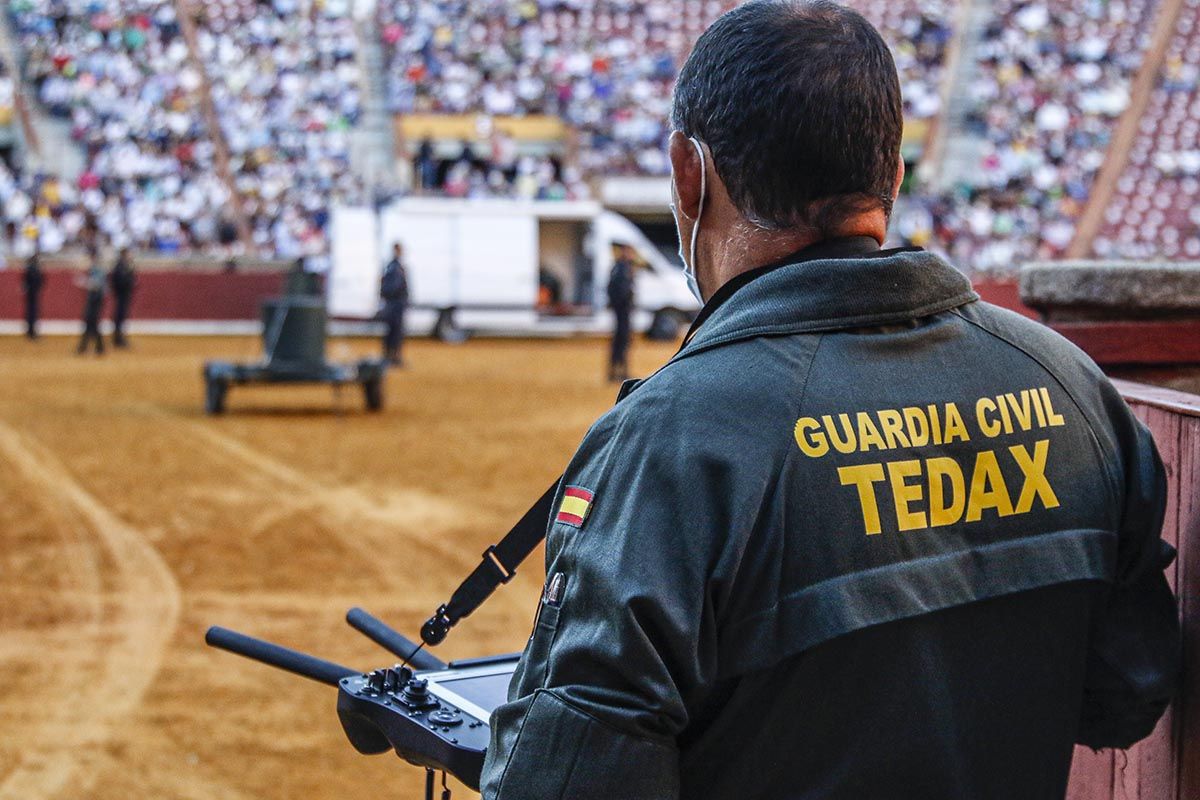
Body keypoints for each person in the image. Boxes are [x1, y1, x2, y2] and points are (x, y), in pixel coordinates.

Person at [480, 3, 1180, 799]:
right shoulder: (1071, 385)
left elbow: (567, 779)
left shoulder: (670, 440)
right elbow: (1126, 695)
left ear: (688, 173)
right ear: (891, 179)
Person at [606, 244, 635, 382]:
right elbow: (618, 290)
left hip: (623, 310)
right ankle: (618, 372)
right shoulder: (621, 268)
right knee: (621, 340)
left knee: (621, 340)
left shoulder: (620, 267)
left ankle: (618, 371)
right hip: (622, 310)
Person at [380, 242, 409, 366]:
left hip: (395, 304)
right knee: (395, 332)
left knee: (394, 332)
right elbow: (393, 287)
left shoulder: (393, 266)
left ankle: (391, 356)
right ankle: (392, 357)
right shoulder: (394, 267)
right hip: (395, 304)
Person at [76, 248, 105, 356]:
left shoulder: (98, 270)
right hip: (94, 299)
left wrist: (83, 282)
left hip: (95, 300)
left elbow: (96, 285)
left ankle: (87, 347)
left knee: (91, 322)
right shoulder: (95, 269)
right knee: (91, 323)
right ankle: (90, 347)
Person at [109, 247, 136, 348]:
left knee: (121, 317)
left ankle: (119, 338)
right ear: (124, 255)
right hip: (121, 295)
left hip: (123, 295)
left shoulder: (123, 266)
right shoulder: (121, 267)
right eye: (129, 253)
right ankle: (118, 339)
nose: (130, 256)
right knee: (119, 317)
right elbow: (120, 282)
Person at [22, 251, 44, 340]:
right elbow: (40, 281)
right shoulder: (35, 269)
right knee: (33, 313)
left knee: (30, 313)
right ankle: (31, 333)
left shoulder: (29, 269)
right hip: (33, 294)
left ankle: (30, 332)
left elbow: (25, 282)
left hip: (30, 294)